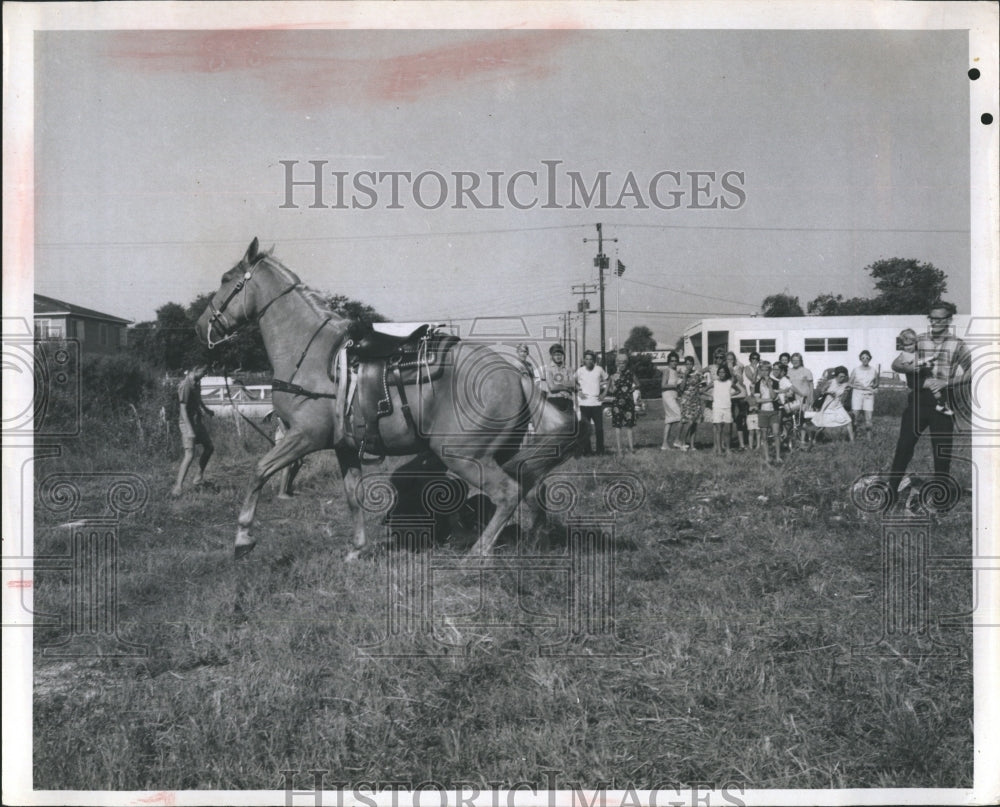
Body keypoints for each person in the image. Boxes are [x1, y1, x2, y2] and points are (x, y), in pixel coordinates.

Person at [888, 302, 971, 510]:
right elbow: (896, 363)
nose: (935, 322)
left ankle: (940, 503)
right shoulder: (918, 339)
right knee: (904, 447)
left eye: (940, 319)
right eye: (932, 318)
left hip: (944, 400)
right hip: (918, 399)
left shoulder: (958, 344)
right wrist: (908, 367)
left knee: (941, 453)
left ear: (949, 320)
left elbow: (973, 371)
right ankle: (890, 495)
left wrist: (947, 383)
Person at [171, 365, 215, 497]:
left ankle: (198, 476)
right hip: (186, 423)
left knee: (209, 447)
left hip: (197, 421)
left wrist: (207, 410)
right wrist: (189, 430)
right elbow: (183, 408)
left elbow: (198, 399)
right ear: (195, 370)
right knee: (190, 454)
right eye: (203, 372)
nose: (204, 375)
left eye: (206, 373)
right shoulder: (186, 385)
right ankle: (178, 487)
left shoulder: (197, 383)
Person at [896, 328, 953, 416]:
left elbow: (921, 364)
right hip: (915, 381)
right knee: (936, 385)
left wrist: (929, 362)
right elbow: (917, 364)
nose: (908, 347)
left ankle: (941, 404)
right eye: (905, 345)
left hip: (920, 378)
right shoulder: (905, 354)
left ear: (915, 343)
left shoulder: (916, 352)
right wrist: (930, 359)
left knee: (938, 388)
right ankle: (941, 405)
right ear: (902, 346)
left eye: (911, 344)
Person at [807, 365, 854, 442]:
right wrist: (829, 392)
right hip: (827, 406)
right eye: (840, 376)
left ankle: (852, 442)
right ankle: (814, 440)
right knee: (821, 425)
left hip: (838, 406)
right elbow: (822, 391)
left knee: (848, 421)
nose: (842, 378)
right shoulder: (830, 382)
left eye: (844, 376)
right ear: (836, 376)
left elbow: (856, 386)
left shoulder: (845, 384)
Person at [575, 349, 608, 456]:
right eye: (587, 359)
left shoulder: (599, 369)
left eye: (591, 359)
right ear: (584, 360)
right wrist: (578, 391)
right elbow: (572, 381)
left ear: (594, 360)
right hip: (584, 403)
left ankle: (600, 451)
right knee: (586, 429)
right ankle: (587, 451)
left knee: (599, 428)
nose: (589, 361)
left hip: (596, 403)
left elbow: (609, 379)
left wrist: (604, 394)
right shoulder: (580, 371)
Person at [749, 360, 783, 464]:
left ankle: (778, 457)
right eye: (762, 370)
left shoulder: (775, 382)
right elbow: (758, 400)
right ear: (759, 371)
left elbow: (774, 395)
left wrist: (770, 386)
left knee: (776, 434)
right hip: (762, 412)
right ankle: (767, 457)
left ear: (770, 370)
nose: (764, 372)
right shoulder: (758, 384)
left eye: (767, 370)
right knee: (764, 436)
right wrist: (771, 400)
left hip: (773, 412)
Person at [709, 364, 744, 455]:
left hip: (727, 407)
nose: (721, 374)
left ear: (726, 373)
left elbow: (738, 391)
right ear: (718, 373)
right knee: (718, 430)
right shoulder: (715, 382)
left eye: (723, 372)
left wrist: (730, 395)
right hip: (717, 407)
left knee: (728, 430)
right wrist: (710, 396)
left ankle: (728, 449)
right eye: (720, 372)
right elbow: (703, 390)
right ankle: (719, 449)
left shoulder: (729, 383)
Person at [609, 350, 637, 455]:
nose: (622, 364)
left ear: (627, 363)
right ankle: (619, 450)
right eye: (620, 362)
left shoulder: (631, 374)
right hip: (617, 404)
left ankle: (631, 448)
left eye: (624, 362)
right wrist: (614, 387)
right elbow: (611, 391)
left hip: (629, 402)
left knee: (629, 426)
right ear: (616, 363)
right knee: (618, 426)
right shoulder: (613, 376)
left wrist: (632, 389)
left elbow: (638, 384)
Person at [849, 350, 879, 439]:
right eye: (863, 358)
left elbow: (876, 383)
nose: (865, 360)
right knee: (855, 416)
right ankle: (853, 437)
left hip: (868, 395)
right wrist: (857, 386)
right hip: (857, 394)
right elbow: (849, 383)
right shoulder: (856, 370)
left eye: (867, 358)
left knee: (868, 417)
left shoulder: (873, 370)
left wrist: (874, 387)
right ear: (860, 359)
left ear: (870, 359)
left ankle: (869, 439)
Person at [677, 355, 703, 451]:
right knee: (689, 422)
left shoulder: (697, 375)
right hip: (686, 400)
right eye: (687, 364)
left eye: (690, 364)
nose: (689, 366)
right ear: (685, 365)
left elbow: (701, 386)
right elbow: (681, 388)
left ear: (693, 365)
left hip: (696, 400)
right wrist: (685, 376)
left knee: (695, 423)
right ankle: (683, 442)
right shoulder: (681, 375)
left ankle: (692, 445)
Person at [659, 351, 683, 450]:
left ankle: (664, 444)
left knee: (669, 420)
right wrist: (675, 385)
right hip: (667, 395)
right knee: (681, 417)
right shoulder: (667, 370)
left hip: (673, 395)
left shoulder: (676, 372)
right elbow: (663, 385)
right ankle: (677, 440)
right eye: (672, 361)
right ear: (668, 362)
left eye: (676, 361)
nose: (674, 363)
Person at [542, 344, 575, 413]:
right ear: (552, 356)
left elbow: (573, 384)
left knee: (574, 422)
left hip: (567, 400)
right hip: (554, 400)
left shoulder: (568, 368)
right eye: (555, 355)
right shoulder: (548, 369)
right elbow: (552, 388)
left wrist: (559, 385)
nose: (558, 357)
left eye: (560, 354)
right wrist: (566, 387)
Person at [726, 351, 748, 450]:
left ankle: (742, 444)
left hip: (740, 395)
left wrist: (732, 370)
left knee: (740, 420)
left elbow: (738, 380)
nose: (730, 361)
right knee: (729, 419)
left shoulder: (738, 367)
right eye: (728, 359)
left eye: (732, 359)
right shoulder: (724, 369)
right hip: (730, 396)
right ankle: (728, 443)